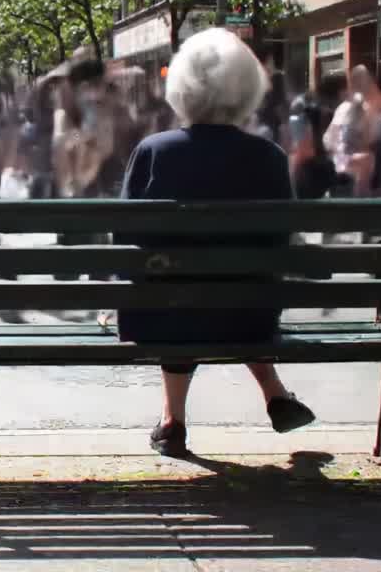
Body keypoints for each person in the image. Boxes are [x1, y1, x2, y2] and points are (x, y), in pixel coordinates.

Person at [117, 28, 316, 458]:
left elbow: (125, 238)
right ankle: (275, 395)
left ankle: (172, 422)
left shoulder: (153, 151)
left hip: (163, 318)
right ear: (247, 91)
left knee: (174, 295)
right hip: (249, 316)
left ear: (181, 89)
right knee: (230, 292)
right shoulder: (269, 157)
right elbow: (280, 240)